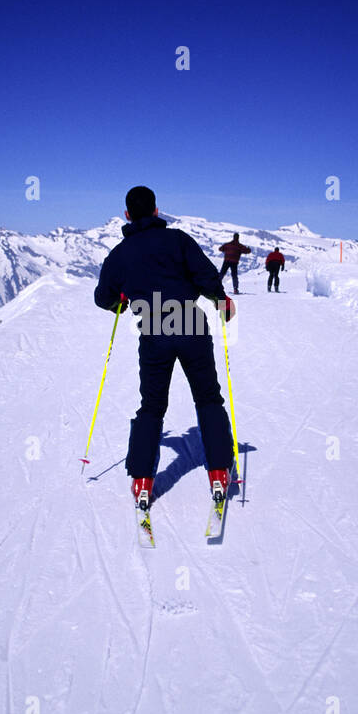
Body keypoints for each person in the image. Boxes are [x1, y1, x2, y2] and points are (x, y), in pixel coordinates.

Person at [94, 186, 236, 510]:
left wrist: (121, 302)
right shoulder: (179, 240)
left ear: (127, 215)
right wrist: (221, 301)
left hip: (154, 330)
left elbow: (103, 296)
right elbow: (205, 275)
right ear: (157, 211)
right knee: (208, 398)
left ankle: (142, 481)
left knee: (153, 406)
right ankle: (218, 472)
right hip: (190, 324)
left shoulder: (120, 254)